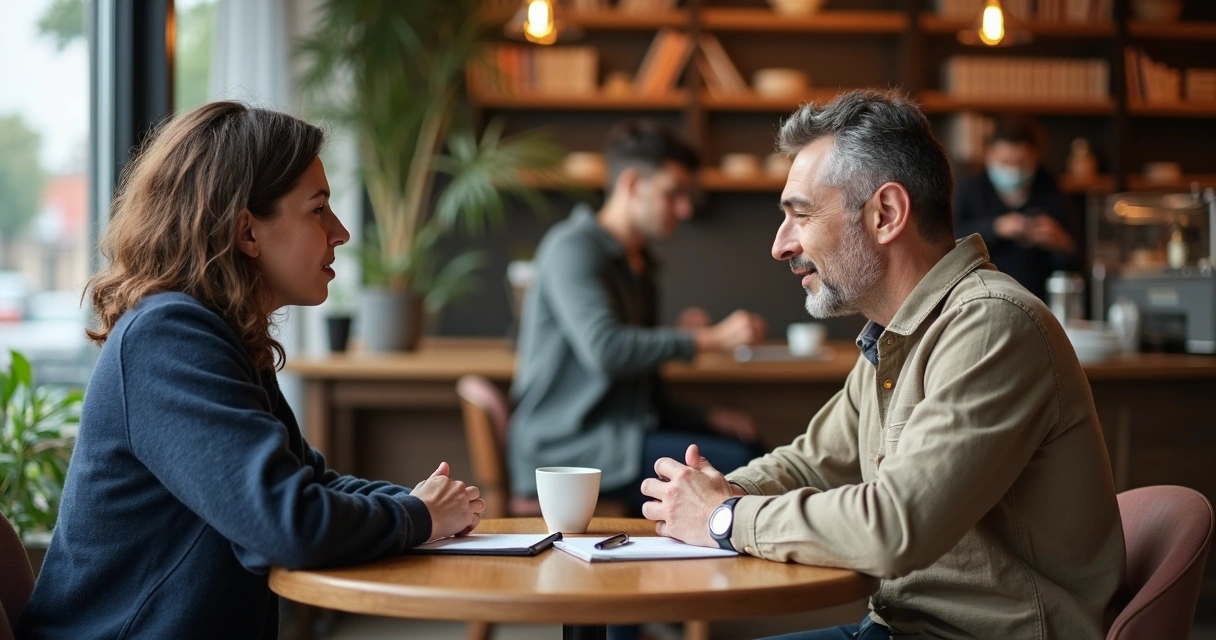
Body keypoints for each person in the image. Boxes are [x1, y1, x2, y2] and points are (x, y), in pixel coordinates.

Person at [639, 91, 1124, 640]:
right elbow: (810, 464)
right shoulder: (894, 338)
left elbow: (895, 525)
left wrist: (724, 518)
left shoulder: (993, 326)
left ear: (886, 214)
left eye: (800, 215)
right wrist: (707, 492)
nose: (780, 245)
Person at [16, 102, 485, 639]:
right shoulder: (168, 338)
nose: (341, 233)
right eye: (318, 210)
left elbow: (307, 484)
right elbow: (287, 526)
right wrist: (416, 516)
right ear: (247, 232)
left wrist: (415, 502)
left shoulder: (217, 334)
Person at [509, 119, 767, 513]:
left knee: (751, 452)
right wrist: (710, 339)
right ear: (631, 184)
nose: (684, 208)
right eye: (673, 192)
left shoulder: (640, 265)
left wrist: (706, 417)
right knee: (746, 470)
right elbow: (606, 350)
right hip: (571, 447)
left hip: (621, 438)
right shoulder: (572, 249)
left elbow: (639, 390)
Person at [953, 117, 1079, 301]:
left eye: (1022, 163)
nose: (1014, 170)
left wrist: (1060, 242)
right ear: (988, 154)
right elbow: (949, 244)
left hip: (1039, 301)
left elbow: (1077, 259)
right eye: (1005, 162)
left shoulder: (1051, 189)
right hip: (978, 298)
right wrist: (995, 228)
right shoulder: (969, 189)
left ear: (1036, 156)